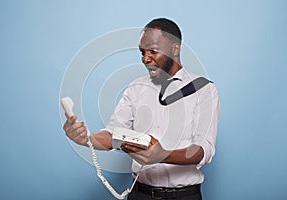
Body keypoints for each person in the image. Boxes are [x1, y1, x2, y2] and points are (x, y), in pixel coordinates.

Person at [63, 18, 220, 200]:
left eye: (153, 51)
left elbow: (203, 150)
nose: (145, 59)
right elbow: (112, 135)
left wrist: (162, 155)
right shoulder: (135, 88)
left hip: (184, 196)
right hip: (140, 194)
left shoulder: (204, 90)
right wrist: (86, 139)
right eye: (142, 52)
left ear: (175, 49)